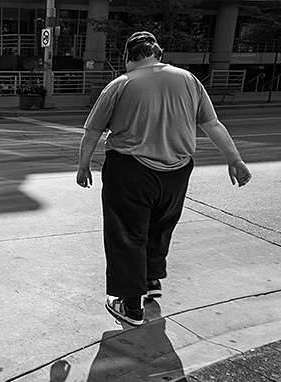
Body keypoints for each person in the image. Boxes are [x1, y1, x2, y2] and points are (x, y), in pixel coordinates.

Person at [76, 31, 252, 326]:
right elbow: (212, 123)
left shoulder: (121, 84)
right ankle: (151, 280)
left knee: (126, 234)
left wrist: (83, 167)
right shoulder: (189, 80)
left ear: (127, 57)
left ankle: (131, 306)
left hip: (130, 170)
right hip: (177, 171)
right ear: (158, 53)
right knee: (160, 227)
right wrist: (234, 159)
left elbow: (92, 132)